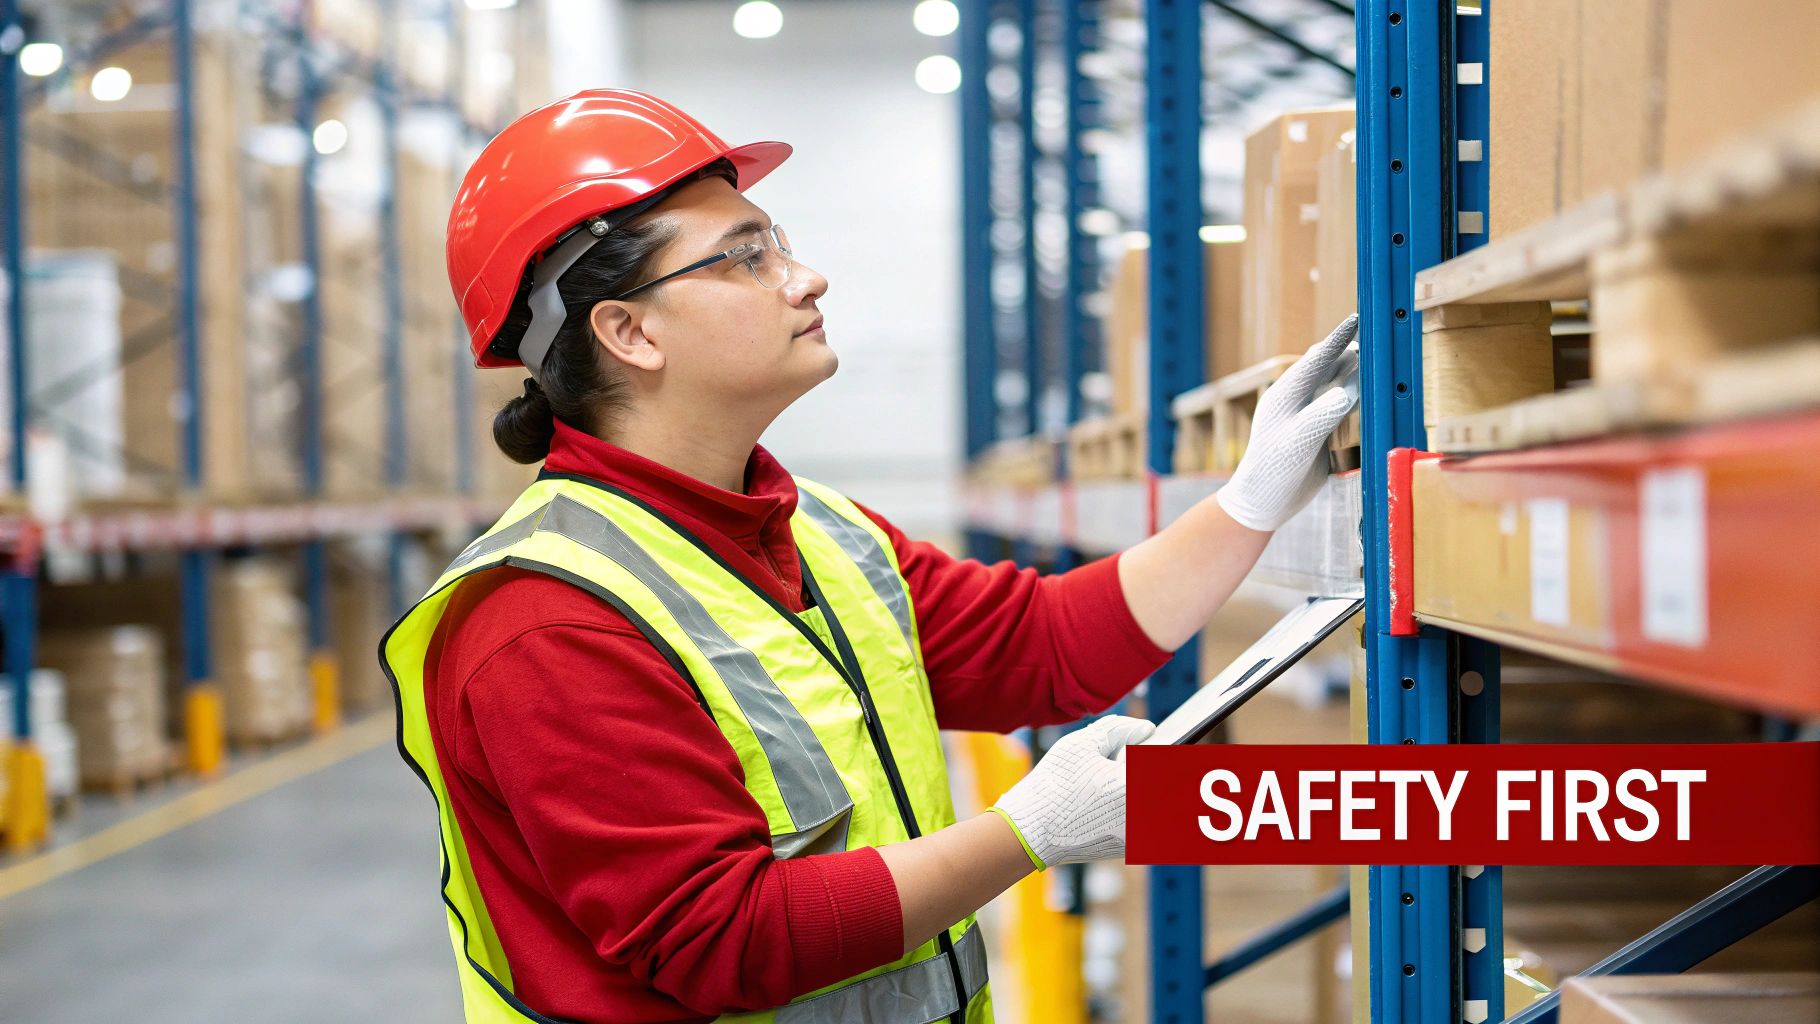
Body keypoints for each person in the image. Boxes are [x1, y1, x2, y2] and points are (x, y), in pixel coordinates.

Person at [381, 89, 1358, 1024]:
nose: (804, 278)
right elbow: (721, 938)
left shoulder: (816, 532)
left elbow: (1046, 646)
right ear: (628, 331)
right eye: (744, 257)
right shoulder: (545, 620)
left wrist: (1250, 499)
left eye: (783, 247)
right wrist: (1025, 834)